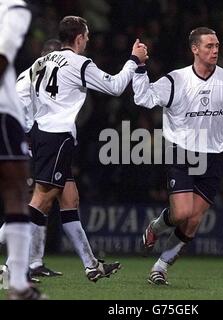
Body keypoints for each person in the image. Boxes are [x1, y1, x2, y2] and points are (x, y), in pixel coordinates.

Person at [132, 27, 223, 285]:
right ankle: (155, 228)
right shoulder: (176, 80)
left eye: (217, 45)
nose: (215, 50)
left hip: (213, 156)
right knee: (182, 213)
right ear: (195, 49)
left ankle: (160, 268)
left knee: (194, 220)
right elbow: (143, 97)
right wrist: (139, 66)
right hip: (181, 152)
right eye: (209, 46)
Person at [26, 16, 147, 282]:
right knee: (41, 202)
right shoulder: (79, 63)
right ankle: (16, 265)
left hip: (42, 133)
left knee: (70, 200)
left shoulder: (41, 62)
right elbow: (115, 87)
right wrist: (134, 60)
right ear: (79, 37)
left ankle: (91, 265)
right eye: (88, 35)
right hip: (56, 136)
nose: (89, 39)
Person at [0, 39, 63, 278]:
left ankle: (33, 262)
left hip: (32, 142)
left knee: (40, 200)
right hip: (21, 144)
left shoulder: (40, 77)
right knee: (30, 203)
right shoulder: (30, 78)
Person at [0, 0, 46, 299]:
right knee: (16, 189)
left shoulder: (14, 7)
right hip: (3, 113)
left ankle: (18, 282)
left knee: (17, 189)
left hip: (8, 113)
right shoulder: (13, 8)